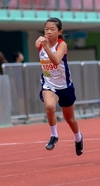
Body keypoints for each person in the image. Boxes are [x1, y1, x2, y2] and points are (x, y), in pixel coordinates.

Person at [35, 17, 84, 155]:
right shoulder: (39, 43)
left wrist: (46, 47)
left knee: (70, 119)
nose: (48, 32)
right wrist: (43, 45)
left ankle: (78, 138)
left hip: (65, 87)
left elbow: (56, 60)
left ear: (59, 32)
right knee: (50, 106)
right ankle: (54, 135)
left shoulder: (62, 45)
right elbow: (39, 46)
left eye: (52, 29)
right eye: (46, 29)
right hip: (49, 85)